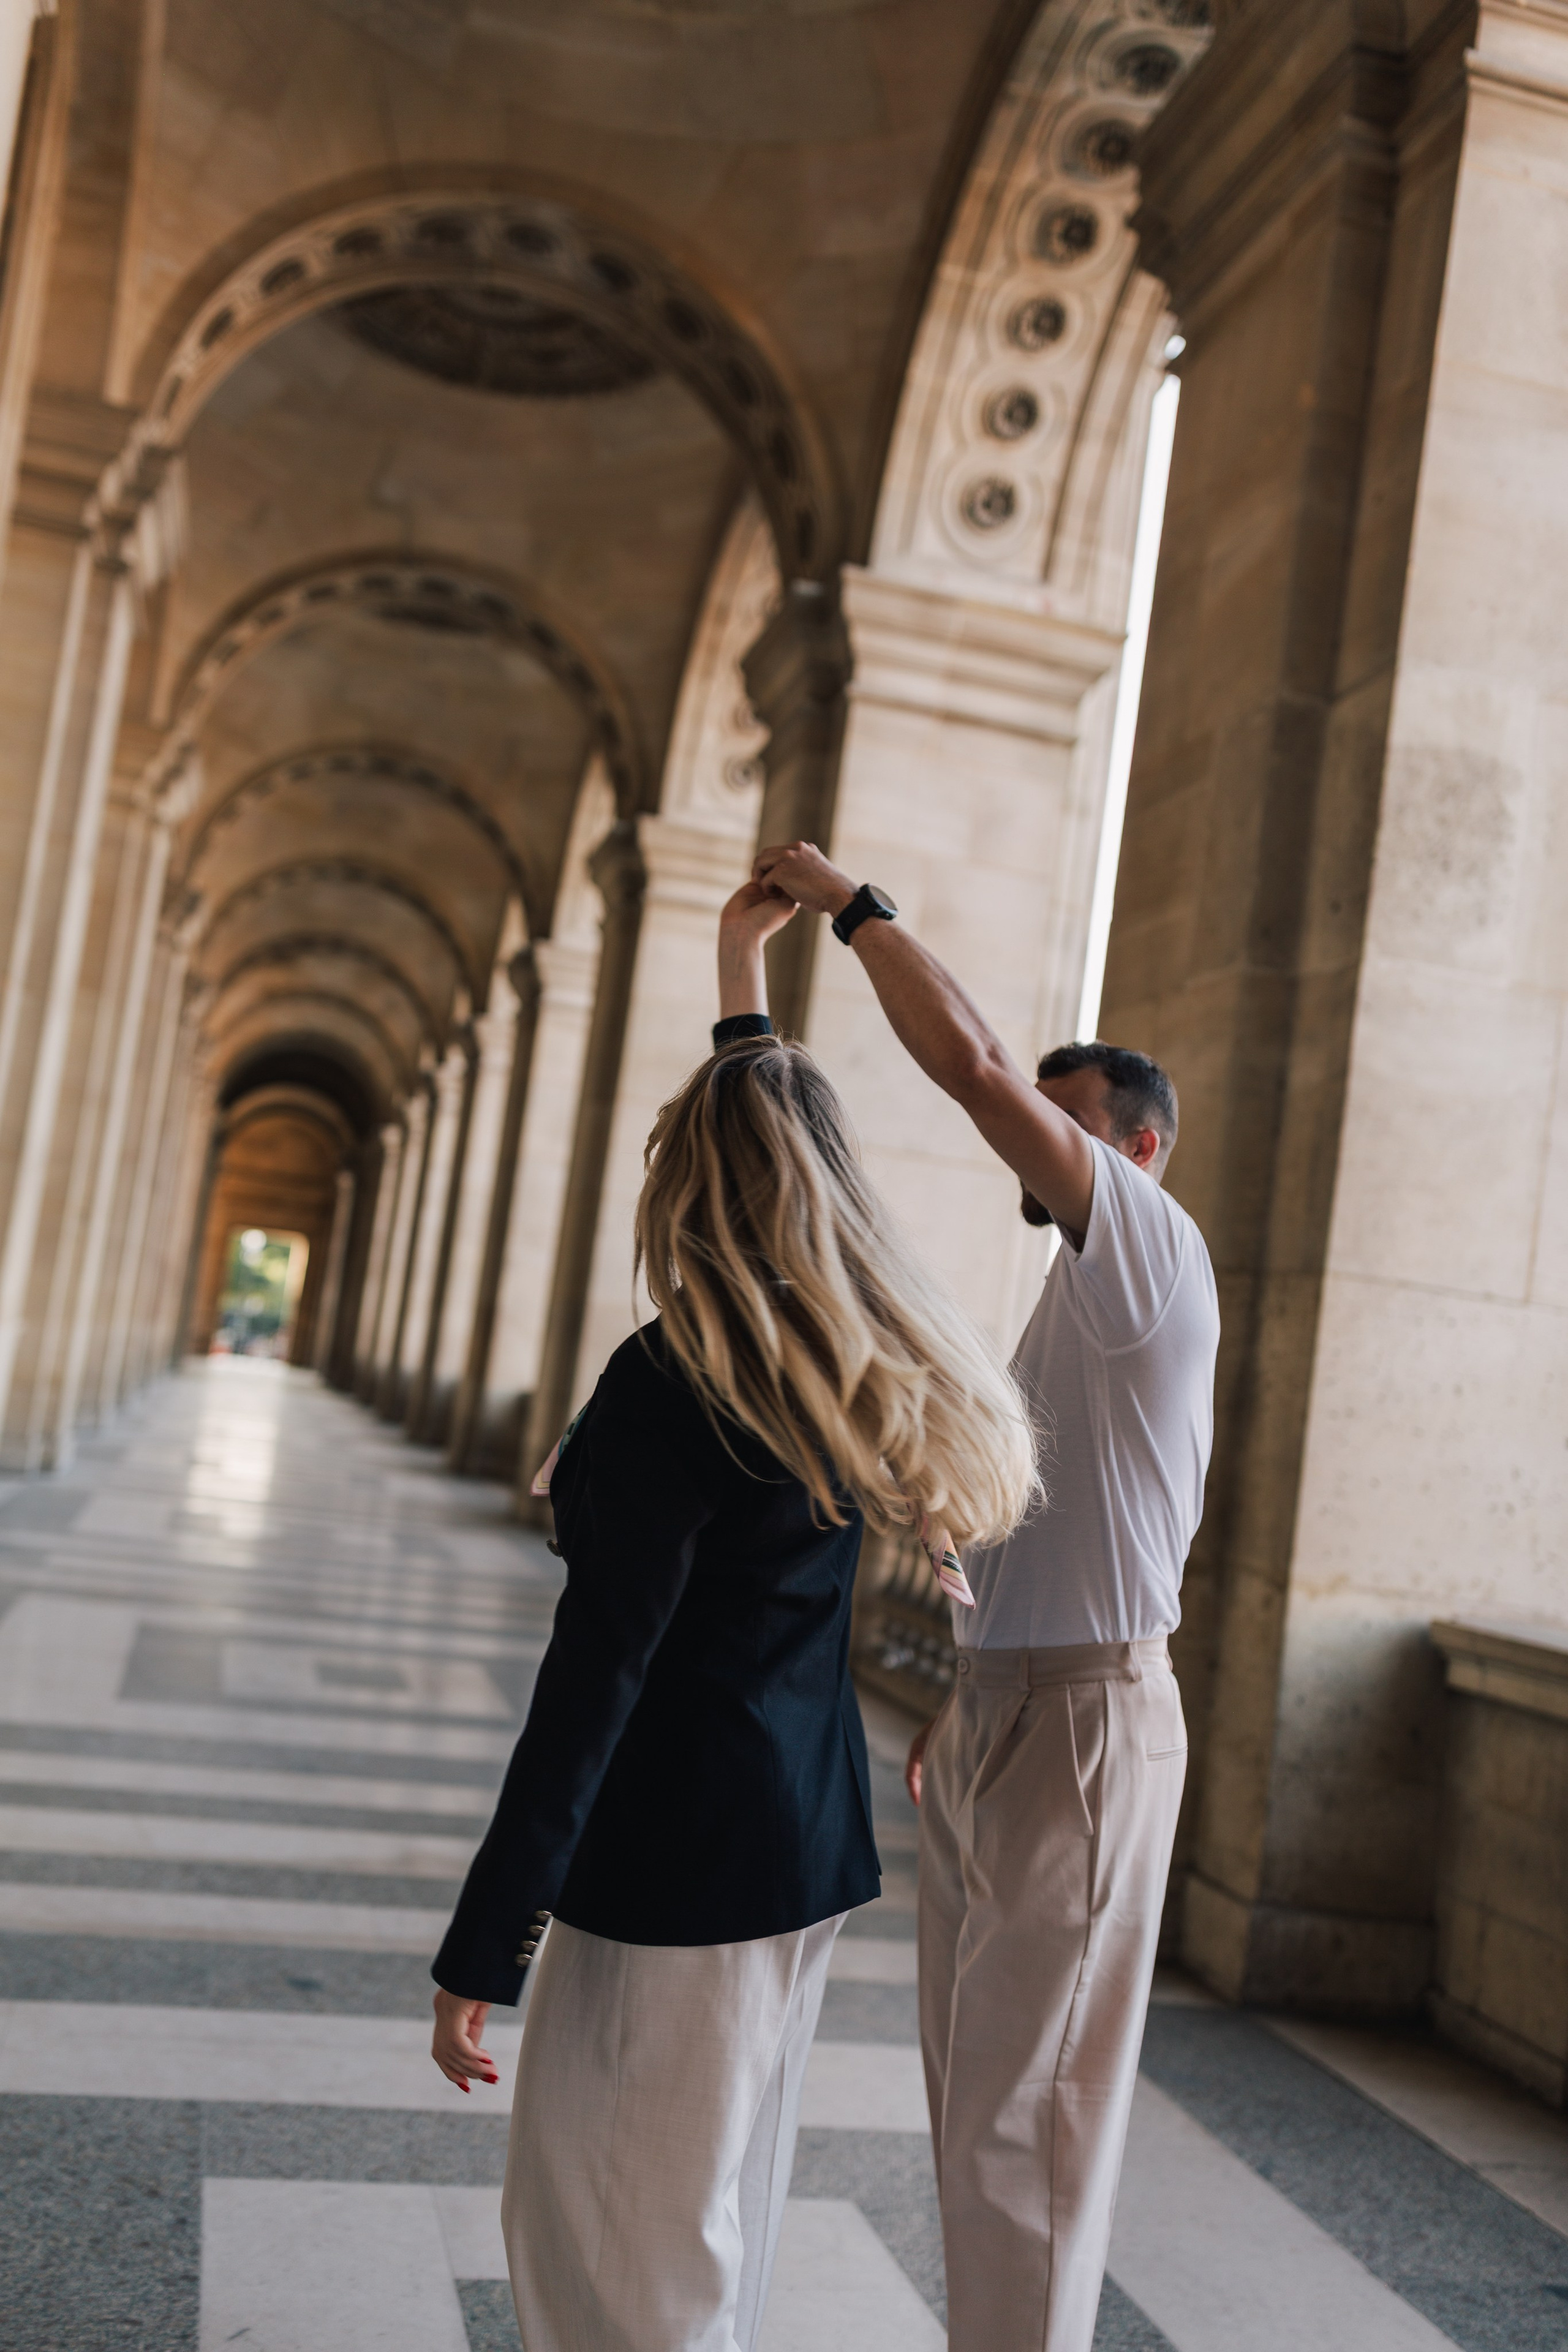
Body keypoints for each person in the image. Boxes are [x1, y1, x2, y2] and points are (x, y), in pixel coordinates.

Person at [429, 883, 1038, 2352]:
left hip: (676, 1869)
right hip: (790, 1847)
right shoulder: (826, 1350)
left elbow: (596, 1681)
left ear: (679, 1182)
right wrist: (735, 970)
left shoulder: (677, 1379)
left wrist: (481, 1945)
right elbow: (771, 1125)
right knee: (706, 2209)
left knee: (617, 2233)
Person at [741, 842, 1220, 2352]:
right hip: (1010, 1709)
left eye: (1068, 1124)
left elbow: (971, 1064)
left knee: (1035, 2113)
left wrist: (851, 908)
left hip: (1090, 1717)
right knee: (973, 2091)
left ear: (1132, 1152)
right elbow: (1001, 1522)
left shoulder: (1146, 1250)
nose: (1036, 1135)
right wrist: (965, 1680)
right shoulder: (1065, 1307)